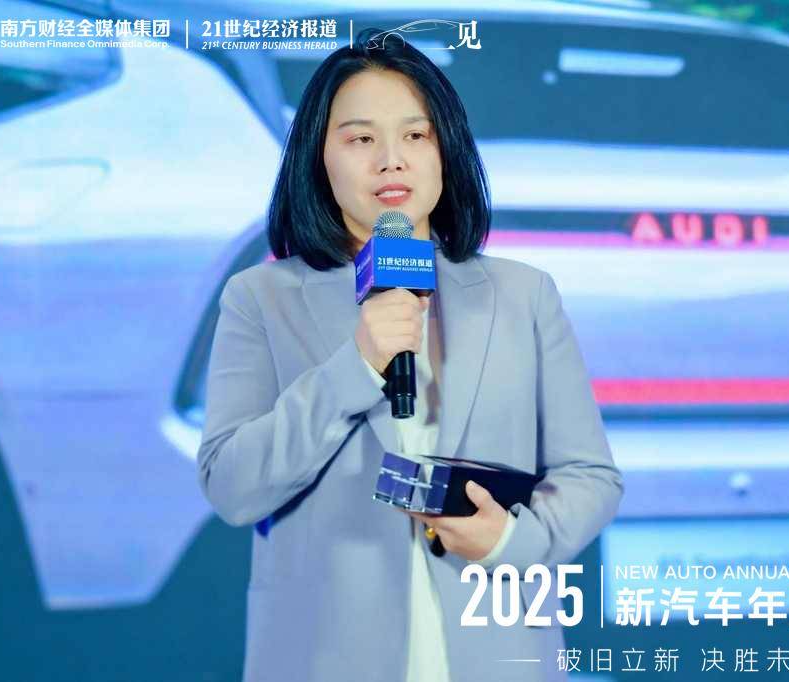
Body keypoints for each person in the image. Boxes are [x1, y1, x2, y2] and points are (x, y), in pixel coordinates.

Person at [196, 28, 624, 682]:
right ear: (318, 157)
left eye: (415, 135)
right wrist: (356, 367)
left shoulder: (523, 295)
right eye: (361, 139)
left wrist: (511, 542)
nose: (391, 161)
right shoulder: (261, 299)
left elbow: (591, 476)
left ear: (445, 150)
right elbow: (231, 486)